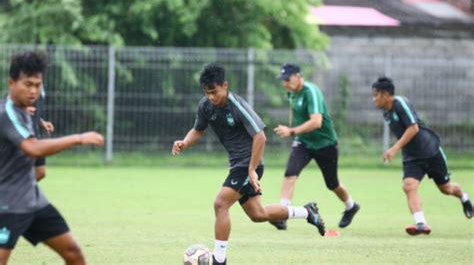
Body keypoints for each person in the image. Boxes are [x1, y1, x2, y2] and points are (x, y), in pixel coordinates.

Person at [172, 63, 326, 265]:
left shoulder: (237, 106)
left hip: (248, 164)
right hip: (239, 165)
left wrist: (252, 169)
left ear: (225, 85)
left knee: (220, 204)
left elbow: (260, 137)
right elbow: (198, 130)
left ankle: (219, 259)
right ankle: (307, 212)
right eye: (207, 92)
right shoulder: (205, 105)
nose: (211, 96)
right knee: (258, 214)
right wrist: (185, 142)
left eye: (214, 92)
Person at [0, 51, 104, 264]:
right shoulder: (7, 112)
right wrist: (78, 138)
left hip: (33, 200)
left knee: (73, 252)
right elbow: (33, 148)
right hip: (7, 204)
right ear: (12, 82)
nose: (33, 91)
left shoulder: (23, 110)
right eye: (28, 84)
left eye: (38, 85)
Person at [371, 77, 472, 235]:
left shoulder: (400, 103)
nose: (374, 99)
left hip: (430, 150)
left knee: (446, 188)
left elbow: (414, 128)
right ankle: (421, 223)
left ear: (385, 94)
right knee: (408, 186)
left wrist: (394, 148)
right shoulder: (386, 113)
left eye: (376, 95)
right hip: (412, 156)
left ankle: (464, 197)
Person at [270, 63, 360, 231]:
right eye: (283, 80)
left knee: (332, 183)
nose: (285, 83)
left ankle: (351, 206)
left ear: (298, 76)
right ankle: (282, 215)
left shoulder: (311, 91)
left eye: (287, 79)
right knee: (290, 174)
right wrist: (296, 132)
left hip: (325, 144)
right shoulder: (291, 93)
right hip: (304, 142)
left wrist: (291, 131)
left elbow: (316, 121)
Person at [26, 87, 54, 182]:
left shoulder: (40, 85)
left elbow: (33, 111)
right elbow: (8, 104)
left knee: (40, 172)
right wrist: (19, 110)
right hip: (23, 136)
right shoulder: (24, 82)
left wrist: (41, 122)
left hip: (35, 134)